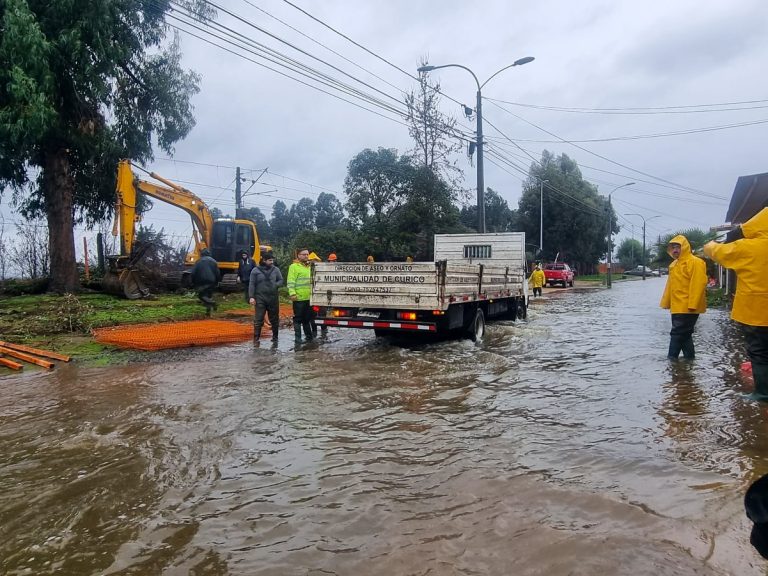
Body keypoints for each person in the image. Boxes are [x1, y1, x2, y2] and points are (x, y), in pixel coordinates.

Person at [704, 207, 768, 400]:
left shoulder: (748, 247)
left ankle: (763, 393)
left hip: (755, 311)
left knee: (759, 352)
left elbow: (718, 252)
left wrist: (710, 245)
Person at [660, 235, 707, 360]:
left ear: (684, 247)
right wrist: (666, 302)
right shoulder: (673, 265)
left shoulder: (696, 262)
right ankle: (689, 362)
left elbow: (698, 284)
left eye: (678, 247)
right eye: (673, 247)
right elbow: (670, 285)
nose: (675, 250)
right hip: (677, 307)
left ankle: (671, 361)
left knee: (676, 333)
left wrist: (693, 304)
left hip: (688, 306)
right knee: (685, 335)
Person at [249, 251, 283, 343]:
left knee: (274, 319)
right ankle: (256, 339)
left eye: (272, 260)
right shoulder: (255, 271)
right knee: (258, 319)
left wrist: (276, 285)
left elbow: (281, 280)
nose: (272, 262)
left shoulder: (276, 270)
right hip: (260, 298)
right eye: (270, 260)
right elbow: (251, 284)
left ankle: (275, 337)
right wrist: (251, 297)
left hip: (273, 298)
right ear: (263, 260)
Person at [287, 248, 314, 343]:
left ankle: (309, 338)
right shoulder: (293, 267)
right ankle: (298, 339)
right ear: (298, 255)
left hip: (309, 298)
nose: (306, 256)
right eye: (304, 254)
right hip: (298, 298)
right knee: (298, 319)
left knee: (307, 319)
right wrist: (292, 293)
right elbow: (290, 281)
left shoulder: (310, 266)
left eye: (307, 254)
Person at [191, 248, 221, 317]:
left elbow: (193, 272)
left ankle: (213, 303)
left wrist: (192, 282)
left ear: (202, 254)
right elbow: (217, 273)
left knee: (201, 296)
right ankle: (208, 313)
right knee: (209, 296)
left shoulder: (198, 261)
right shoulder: (214, 261)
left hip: (201, 280)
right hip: (212, 280)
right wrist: (217, 281)